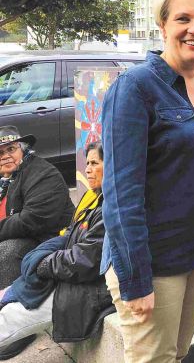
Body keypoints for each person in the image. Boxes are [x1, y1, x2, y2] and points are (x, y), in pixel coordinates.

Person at [101, 0, 194, 363]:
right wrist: (135, 278)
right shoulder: (134, 87)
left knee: (176, 354)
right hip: (154, 260)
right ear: (162, 25)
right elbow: (121, 192)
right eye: (184, 19)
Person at [0, 142, 115, 360]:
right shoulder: (94, 197)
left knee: (9, 317)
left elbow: (86, 260)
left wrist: (43, 264)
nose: (87, 169)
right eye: (86, 163)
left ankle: (17, 339)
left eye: (94, 163)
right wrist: (40, 259)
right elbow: (70, 235)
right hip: (63, 268)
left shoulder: (112, 207)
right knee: (9, 296)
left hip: (86, 287)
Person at [0, 126, 74, 289]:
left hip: (51, 240)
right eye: (0, 153)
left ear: (23, 149)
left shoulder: (43, 174)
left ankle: (6, 304)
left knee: (6, 252)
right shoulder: (7, 178)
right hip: (22, 238)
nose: (5, 156)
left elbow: (32, 220)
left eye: (11, 149)